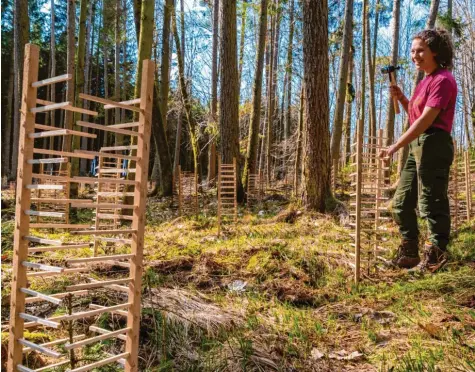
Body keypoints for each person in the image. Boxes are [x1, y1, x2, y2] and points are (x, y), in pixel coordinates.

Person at [379, 28, 457, 272]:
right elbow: (414, 113)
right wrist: (402, 97)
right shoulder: (424, 82)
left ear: (435, 51)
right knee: (401, 201)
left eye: (421, 50)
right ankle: (410, 250)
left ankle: (437, 254)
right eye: (412, 51)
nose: (415, 55)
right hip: (417, 145)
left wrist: (394, 146)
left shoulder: (443, 80)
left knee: (431, 200)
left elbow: (425, 121)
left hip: (433, 142)